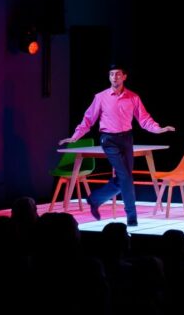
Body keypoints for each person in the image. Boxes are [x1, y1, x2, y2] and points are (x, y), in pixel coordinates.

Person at [59, 63, 175, 226]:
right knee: (126, 177)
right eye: (112, 74)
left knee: (124, 178)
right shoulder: (100, 97)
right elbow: (88, 119)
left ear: (124, 77)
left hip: (126, 139)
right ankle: (132, 218)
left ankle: (95, 199)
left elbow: (144, 119)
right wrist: (75, 136)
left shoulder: (133, 97)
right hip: (109, 140)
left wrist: (158, 129)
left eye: (118, 74)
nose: (114, 77)